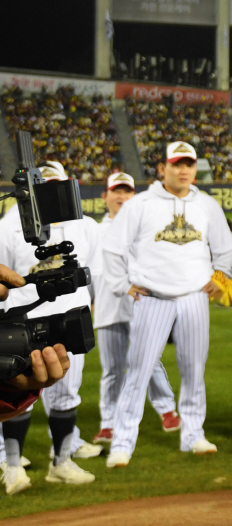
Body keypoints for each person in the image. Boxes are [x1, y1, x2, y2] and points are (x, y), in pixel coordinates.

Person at [103, 141, 232, 468]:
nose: (184, 170)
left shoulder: (206, 205)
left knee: (194, 371)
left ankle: (194, 435)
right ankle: (122, 442)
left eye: (189, 164)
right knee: (139, 372)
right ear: (163, 168)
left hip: (194, 299)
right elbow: (112, 248)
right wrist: (122, 285)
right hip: (152, 298)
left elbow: (225, 248)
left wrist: (221, 276)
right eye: (177, 164)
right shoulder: (141, 204)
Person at [0, 161, 102, 491]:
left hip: (71, 320)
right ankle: (13, 466)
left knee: (66, 396)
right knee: (17, 389)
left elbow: (94, 273)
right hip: (22, 321)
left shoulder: (85, 225)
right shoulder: (8, 225)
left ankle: (62, 461)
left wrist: (93, 307)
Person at [92, 172, 180, 447]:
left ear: (134, 196)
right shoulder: (94, 231)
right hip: (107, 308)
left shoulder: (145, 229)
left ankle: (167, 410)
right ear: (104, 196)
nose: (121, 197)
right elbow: (90, 273)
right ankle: (108, 425)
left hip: (141, 305)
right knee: (112, 370)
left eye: (127, 191)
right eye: (116, 191)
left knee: (148, 361)